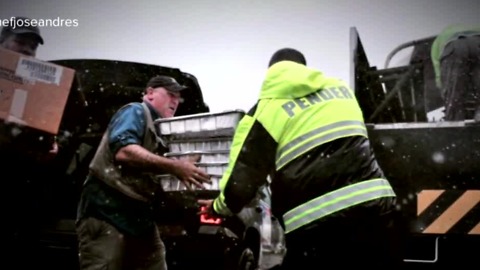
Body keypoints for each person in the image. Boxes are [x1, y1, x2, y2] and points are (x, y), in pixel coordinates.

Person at [199, 48, 404, 269]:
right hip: (377, 212)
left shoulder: (264, 112)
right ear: (304, 69)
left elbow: (242, 180)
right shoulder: (341, 90)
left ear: (271, 74)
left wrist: (218, 207)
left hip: (316, 228)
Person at [76, 75, 211, 270]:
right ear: (149, 93)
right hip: (106, 209)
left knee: (154, 263)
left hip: (139, 215)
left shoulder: (163, 131)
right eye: (170, 94)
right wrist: (175, 167)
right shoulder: (135, 111)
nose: (176, 100)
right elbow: (124, 151)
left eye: (178, 97)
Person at [0, 16, 61, 268]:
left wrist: (55, 145)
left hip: (25, 187)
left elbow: (58, 126)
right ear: (2, 42)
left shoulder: (45, 85)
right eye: (20, 41)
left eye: (33, 46)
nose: (27, 49)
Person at [430, 24, 480, 121]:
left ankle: (455, 124)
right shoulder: (475, 26)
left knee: (453, 96)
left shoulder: (437, 43)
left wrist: (446, 91)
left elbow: (440, 78)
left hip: (454, 46)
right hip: (478, 42)